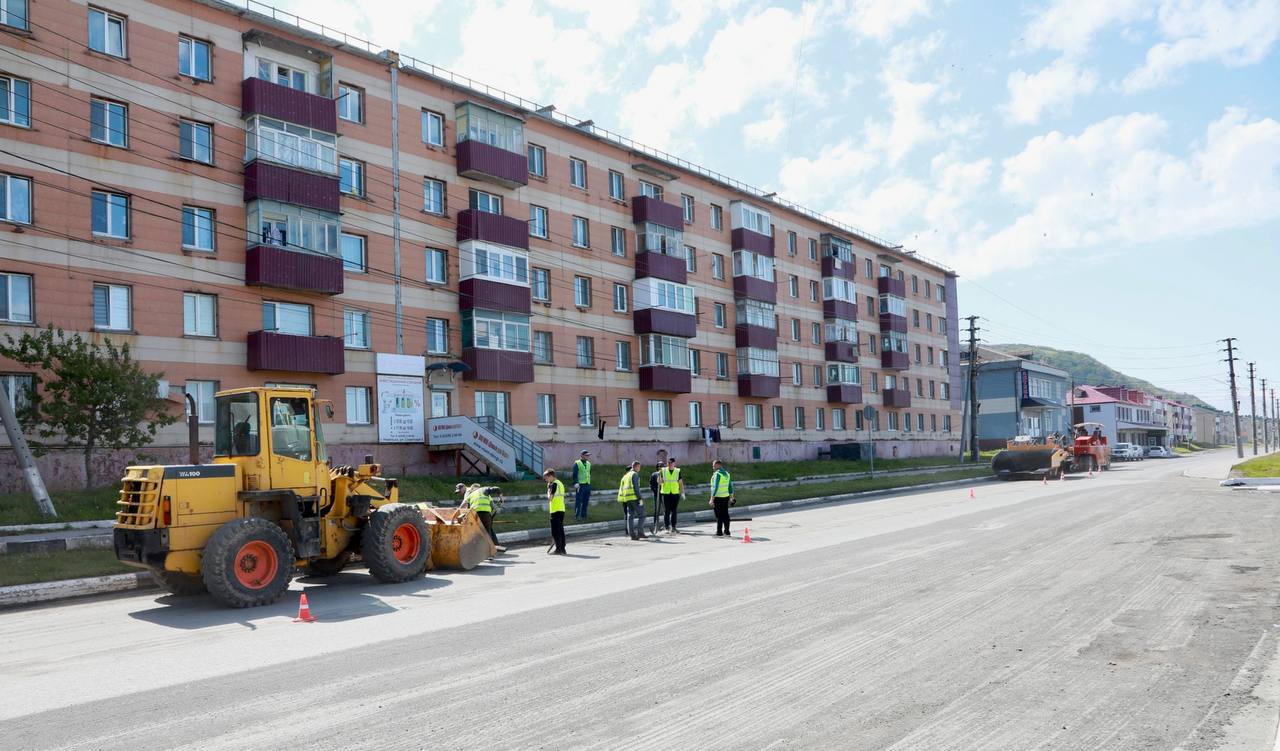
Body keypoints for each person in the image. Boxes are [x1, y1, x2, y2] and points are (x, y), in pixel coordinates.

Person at [459, 483, 501, 549]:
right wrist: (496, 511)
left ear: (472, 489)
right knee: (488, 531)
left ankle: (476, 548)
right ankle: (489, 550)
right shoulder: (486, 493)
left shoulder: (471, 494)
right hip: (486, 514)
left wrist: (458, 511)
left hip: (475, 514)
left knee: (476, 530)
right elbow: (493, 505)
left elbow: (464, 504)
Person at [617, 461, 648, 540]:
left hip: (627, 499)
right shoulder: (634, 474)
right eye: (639, 467)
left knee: (630, 516)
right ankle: (640, 533)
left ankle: (632, 535)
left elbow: (622, 488)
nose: (639, 469)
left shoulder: (625, 476)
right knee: (642, 514)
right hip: (634, 498)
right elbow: (636, 488)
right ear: (636, 467)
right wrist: (640, 498)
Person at [544, 469, 567, 555]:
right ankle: (562, 549)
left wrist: (548, 490)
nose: (546, 480)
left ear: (551, 476)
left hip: (555, 510)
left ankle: (558, 549)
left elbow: (550, 498)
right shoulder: (560, 483)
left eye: (546, 478)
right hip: (561, 509)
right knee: (560, 530)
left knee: (555, 531)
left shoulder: (554, 485)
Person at [708, 460, 734, 537]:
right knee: (725, 514)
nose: (712, 467)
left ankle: (719, 532)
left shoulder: (717, 474)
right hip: (726, 497)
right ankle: (727, 531)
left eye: (713, 465)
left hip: (718, 498)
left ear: (717, 465)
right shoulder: (727, 474)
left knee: (718, 515)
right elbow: (730, 486)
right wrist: (732, 497)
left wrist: (711, 499)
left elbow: (715, 487)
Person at [659, 457, 685, 533]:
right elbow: (660, 482)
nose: (670, 464)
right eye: (668, 463)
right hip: (666, 493)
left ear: (674, 463)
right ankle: (667, 527)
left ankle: (673, 527)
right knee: (667, 511)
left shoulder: (677, 471)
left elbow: (680, 482)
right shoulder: (663, 471)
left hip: (675, 493)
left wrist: (682, 492)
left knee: (674, 510)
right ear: (667, 463)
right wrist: (659, 479)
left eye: (671, 463)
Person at [571, 450, 593, 520]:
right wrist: (576, 482)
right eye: (586, 455)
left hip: (587, 484)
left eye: (588, 455)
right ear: (582, 455)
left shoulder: (589, 463)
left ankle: (584, 515)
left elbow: (589, 473)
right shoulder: (577, 463)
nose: (588, 456)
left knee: (585, 501)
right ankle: (577, 515)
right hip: (580, 485)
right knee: (579, 501)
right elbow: (575, 474)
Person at [648, 462, 663, 535]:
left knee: (666, 509)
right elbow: (651, 484)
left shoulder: (665, 474)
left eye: (662, 466)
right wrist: (655, 491)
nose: (660, 467)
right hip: (656, 495)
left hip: (664, 494)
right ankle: (655, 524)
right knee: (656, 509)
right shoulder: (654, 474)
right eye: (659, 466)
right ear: (657, 467)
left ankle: (666, 524)